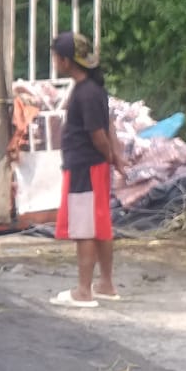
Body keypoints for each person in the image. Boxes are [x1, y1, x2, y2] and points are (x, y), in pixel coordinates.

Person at [51, 32, 127, 308]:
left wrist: (110, 155)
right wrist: (114, 157)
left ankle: (84, 291)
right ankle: (105, 284)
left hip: (84, 166)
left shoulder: (85, 93)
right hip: (95, 166)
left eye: (56, 57)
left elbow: (98, 134)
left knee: (84, 228)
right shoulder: (93, 89)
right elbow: (108, 126)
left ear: (66, 61)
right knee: (100, 225)